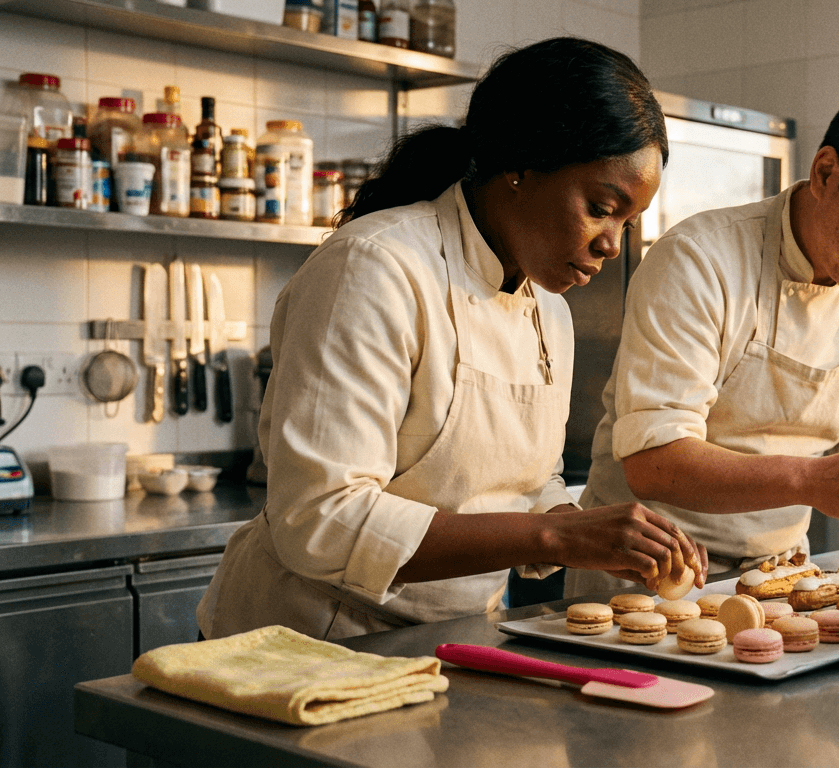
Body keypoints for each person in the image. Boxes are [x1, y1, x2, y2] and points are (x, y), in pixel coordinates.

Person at [198, 37, 705, 642]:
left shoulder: (548, 306)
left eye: (627, 223)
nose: (612, 244)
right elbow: (319, 519)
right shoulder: (375, 268)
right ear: (520, 165)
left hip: (453, 641)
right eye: (600, 208)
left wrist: (576, 527)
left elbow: (530, 482)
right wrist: (559, 536)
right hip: (303, 642)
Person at [566, 78, 839, 596]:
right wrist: (814, 481)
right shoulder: (700, 259)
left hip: (783, 578)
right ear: (827, 172)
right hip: (647, 579)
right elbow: (655, 463)